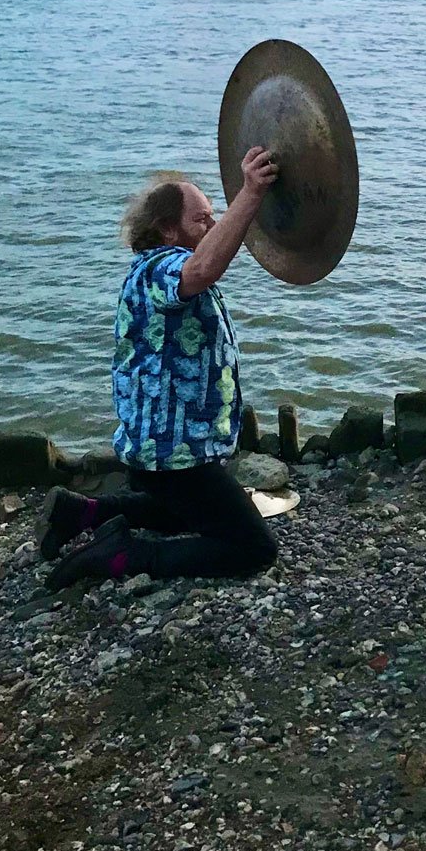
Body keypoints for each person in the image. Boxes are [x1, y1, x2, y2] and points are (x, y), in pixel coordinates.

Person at [38, 148, 281, 589]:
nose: (210, 226)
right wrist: (250, 191)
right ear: (168, 231)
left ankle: (84, 512)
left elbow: (211, 257)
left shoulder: (154, 271)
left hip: (160, 456)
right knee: (253, 548)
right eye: (200, 219)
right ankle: (122, 554)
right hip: (177, 458)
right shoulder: (161, 269)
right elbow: (204, 267)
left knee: (174, 514)